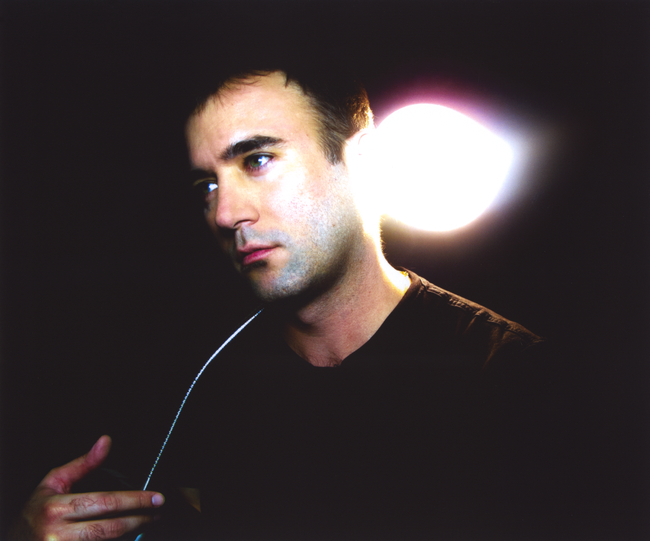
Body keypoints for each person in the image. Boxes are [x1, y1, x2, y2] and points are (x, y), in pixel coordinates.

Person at [10, 65, 556, 541]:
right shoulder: (190, 381)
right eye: (206, 186)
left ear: (364, 161)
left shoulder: (515, 379)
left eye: (257, 159)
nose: (225, 214)